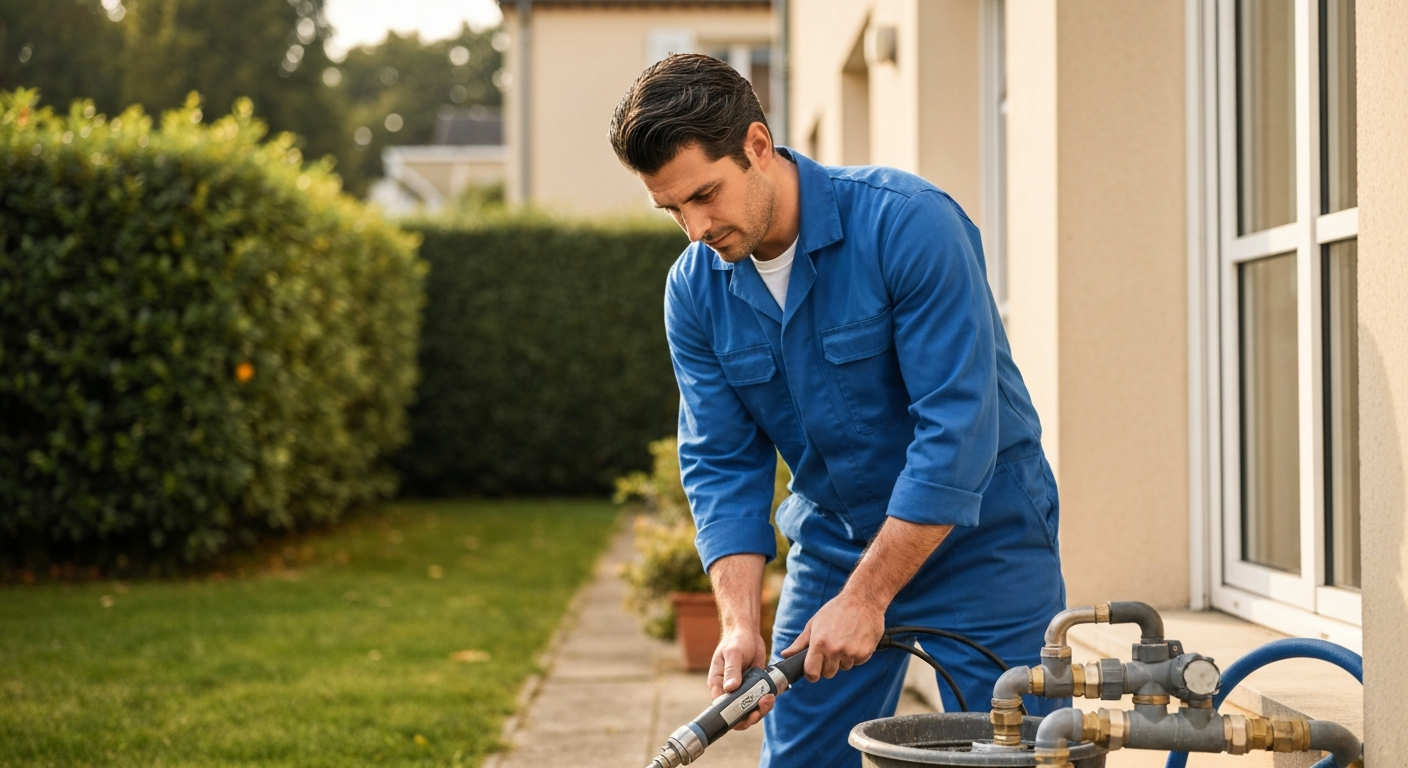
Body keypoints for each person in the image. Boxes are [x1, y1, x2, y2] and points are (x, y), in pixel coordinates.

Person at [609, 53, 1067, 767]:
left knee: (1020, 753)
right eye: (672, 209)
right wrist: (739, 622)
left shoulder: (910, 225)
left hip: (984, 536)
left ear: (758, 145)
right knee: (801, 758)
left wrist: (869, 598)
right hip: (836, 538)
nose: (695, 229)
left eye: (705, 195)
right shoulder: (695, 289)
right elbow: (721, 462)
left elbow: (957, 429)